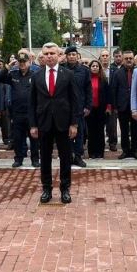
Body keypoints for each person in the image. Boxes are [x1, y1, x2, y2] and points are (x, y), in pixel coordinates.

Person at [29, 42, 78, 204]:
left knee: (65, 157)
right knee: (45, 157)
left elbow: (74, 100)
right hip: (43, 123)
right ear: (42, 56)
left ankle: (65, 189)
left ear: (59, 55)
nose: (49, 56)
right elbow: (32, 102)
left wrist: (74, 124)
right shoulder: (36, 76)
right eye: (46, 54)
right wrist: (33, 125)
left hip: (63, 123)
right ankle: (46, 189)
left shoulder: (68, 74)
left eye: (52, 53)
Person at [0, 52, 39, 167]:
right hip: (17, 113)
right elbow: (0, 78)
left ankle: (35, 160)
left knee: (34, 138)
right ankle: (18, 159)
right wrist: (8, 67)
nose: (22, 64)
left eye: (24, 62)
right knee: (18, 138)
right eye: (20, 62)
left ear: (29, 62)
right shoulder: (13, 74)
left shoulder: (35, 74)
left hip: (32, 113)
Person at [63, 46, 91, 168]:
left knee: (79, 134)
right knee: (65, 133)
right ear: (66, 56)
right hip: (64, 107)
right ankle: (68, 157)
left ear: (77, 56)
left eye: (74, 54)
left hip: (79, 107)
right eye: (69, 55)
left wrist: (88, 106)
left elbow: (88, 89)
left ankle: (78, 156)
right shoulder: (61, 69)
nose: (72, 57)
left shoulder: (84, 70)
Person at [111, 50, 137, 160]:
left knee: (136, 129)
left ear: (133, 59)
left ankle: (135, 150)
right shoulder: (117, 73)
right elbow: (113, 90)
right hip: (122, 106)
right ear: (123, 59)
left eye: (130, 58)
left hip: (135, 106)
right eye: (126, 58)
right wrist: (115, 106)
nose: (128, 60)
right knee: (124, 130)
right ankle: (125, 150)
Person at [85, 59, 110, 159]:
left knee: (100, 131)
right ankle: (92, 152)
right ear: (90, 68)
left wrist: (108, 107)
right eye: (93, 66)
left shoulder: (104, 80)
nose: (95, 67)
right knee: (91, 131)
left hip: (101, 109)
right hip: (90, 109)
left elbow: (108, 94)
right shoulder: (86, 80)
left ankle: (100, 152)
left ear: (99, 68)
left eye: (97, 66)